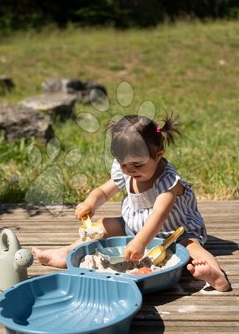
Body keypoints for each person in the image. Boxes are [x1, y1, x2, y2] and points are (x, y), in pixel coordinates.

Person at [32, 113, 230, 292]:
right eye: (123, 164)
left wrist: (140, 242)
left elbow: (159, 216)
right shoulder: (126, 170)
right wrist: (90, 202)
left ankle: (215, 275)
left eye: (137, 165)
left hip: (175, 232)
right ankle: (66, 253)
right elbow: (103, 191)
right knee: (101, 225)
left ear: (158, 155)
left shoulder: (168, 183)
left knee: (193, 248)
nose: (130, 170)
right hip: (133, 227)